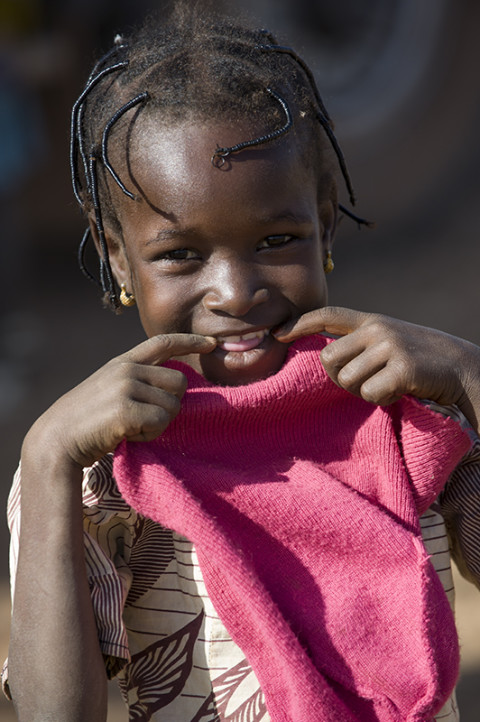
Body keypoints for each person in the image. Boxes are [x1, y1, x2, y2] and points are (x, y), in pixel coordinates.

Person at [4, 3, 480, 721]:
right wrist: (44, 459)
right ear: (117, 257)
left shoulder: (399, 404)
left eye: (275, 241)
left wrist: (473, 374)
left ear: (323, 224)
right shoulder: (99, 465)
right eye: (181, 256)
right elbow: (55, 713)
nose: (235, 292)